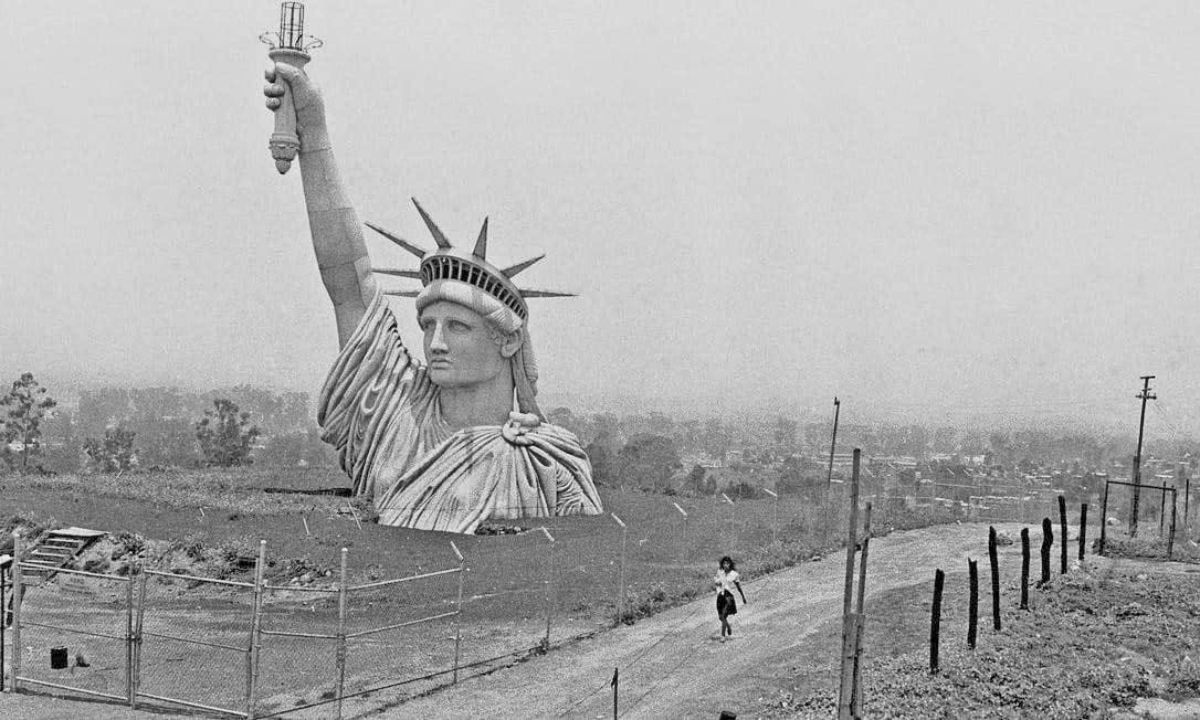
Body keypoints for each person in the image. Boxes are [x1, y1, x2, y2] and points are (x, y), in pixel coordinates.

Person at [261, 61, 602, 533]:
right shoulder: (394, 414)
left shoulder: (546, 465)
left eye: (457, 326)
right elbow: (348, 284)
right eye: (428, 326)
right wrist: (313, 131)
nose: (435, 342)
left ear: (507, 340)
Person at [713, 555, 747, 641]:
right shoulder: (720, 572)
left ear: (730, 564)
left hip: (728, 597)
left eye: (727, 563)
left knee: (724, 615)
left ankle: (722, 635)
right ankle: (728, 627)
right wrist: (718, 583)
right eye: (724, 563)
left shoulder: (734, 574)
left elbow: (738, 586)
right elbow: (716, 583)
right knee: (721, 617)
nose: (725, 565)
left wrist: (743, 597)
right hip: (720, 596)